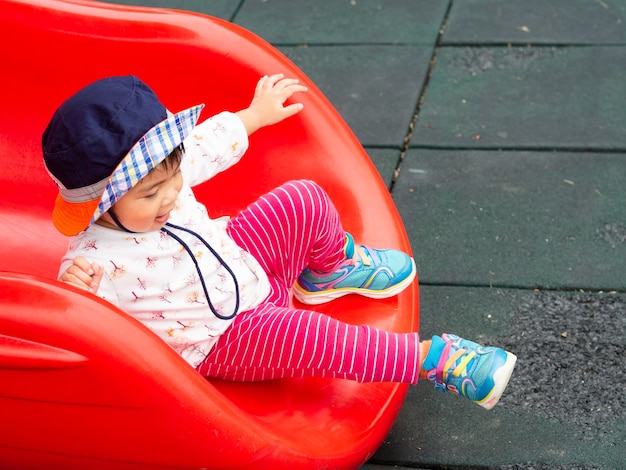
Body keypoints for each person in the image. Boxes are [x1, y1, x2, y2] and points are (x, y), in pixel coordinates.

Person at [46, 74, 516, 410]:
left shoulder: (165, 175)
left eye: (172, 177)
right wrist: (77, 294)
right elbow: (84, 333)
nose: (170, 195)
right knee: (309, 336)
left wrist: (254, 115)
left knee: (302, 197)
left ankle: (327, 269)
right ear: (100, 204)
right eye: (150, 194)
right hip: (221, 336)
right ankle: (436, 361)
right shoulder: (93, 260)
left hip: (242, 267)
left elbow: (206, 144)